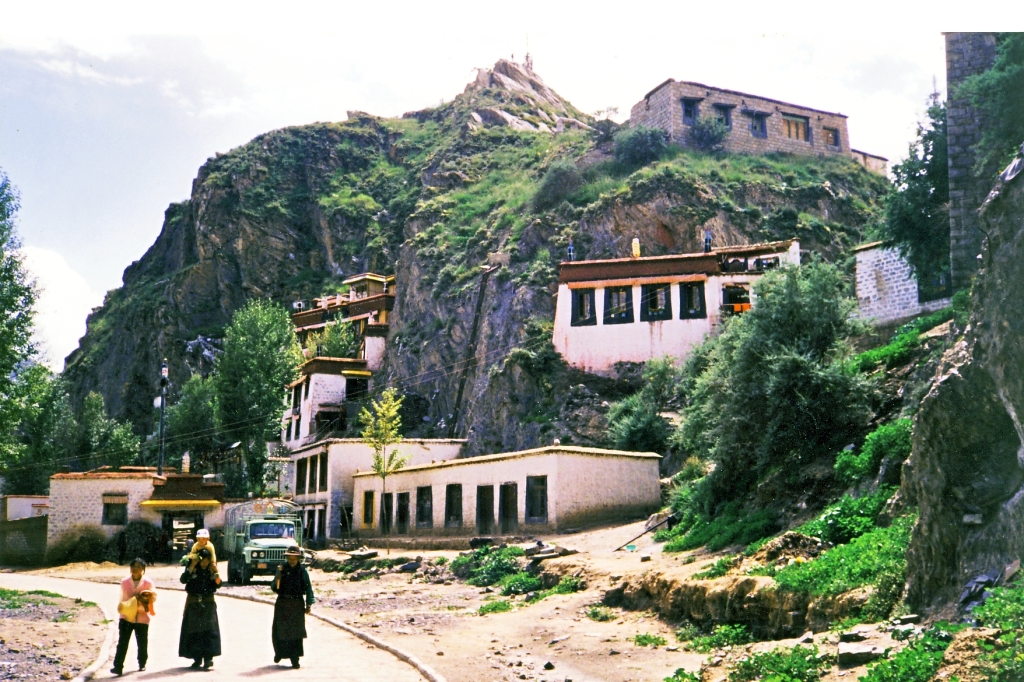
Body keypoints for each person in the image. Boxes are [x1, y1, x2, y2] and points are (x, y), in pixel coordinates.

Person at [271, 546, 315, 668]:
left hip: (297, 604)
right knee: (280, 630)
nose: (292, 561)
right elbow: (274, 587)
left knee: (296, 633)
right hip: (282, 603)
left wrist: (309, 604)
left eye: (294, 558)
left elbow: (308, 588)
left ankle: (295, 659)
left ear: (298, 558)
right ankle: (279, 653)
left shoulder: (302, 571)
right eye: (290, 558)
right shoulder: (281, 569)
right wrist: (278, 577)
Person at [111, 558, 157, 676]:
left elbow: (153, 598)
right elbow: (122, 598)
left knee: (142, 642)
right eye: (133, 566)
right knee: (122, 642)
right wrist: (122, 610)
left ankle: (142, 663)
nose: (135, 569)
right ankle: (118, 666)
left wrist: (144, 599)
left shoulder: (148, 582)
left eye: (138, 566)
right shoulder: (124, 582)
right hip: (126, 616)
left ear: (143, 569)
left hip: (142, 616)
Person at [179, 547, 222, 670]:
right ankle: (197, 658)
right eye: (202, 560)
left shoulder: (211, 570)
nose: (204, 563)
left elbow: (219, 584)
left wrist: (216, 572)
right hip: (194, 603)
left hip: (208, 603)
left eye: (207, 560)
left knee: (209, 630)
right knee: (194, 630)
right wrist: (192, 566)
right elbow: (183, 580)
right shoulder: (193, 569)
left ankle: (208, 658)